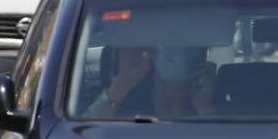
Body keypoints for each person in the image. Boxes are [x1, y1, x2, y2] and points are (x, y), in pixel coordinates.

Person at [85, 46, 216, 119]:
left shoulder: (213, 100)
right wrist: (121, 85)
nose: (178, 58)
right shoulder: (130, 99)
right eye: (169, 49)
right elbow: (85, 136)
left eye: (185, 49)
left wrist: (203, 108)